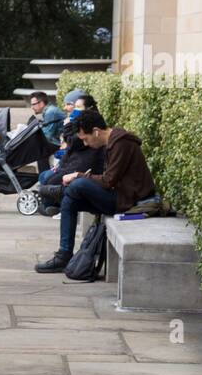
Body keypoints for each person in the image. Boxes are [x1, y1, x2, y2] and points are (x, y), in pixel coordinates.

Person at [34, 110, 157, 273]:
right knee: (70, 200)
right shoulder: (112, 143)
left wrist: (79, 175)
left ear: (96, 132)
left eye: (85, 139)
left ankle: (61, 192)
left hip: (128, 201)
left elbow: (108, 181)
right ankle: (63, 255)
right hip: (119, 195)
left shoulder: (122, 144)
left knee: (78, 185)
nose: (85, 144)